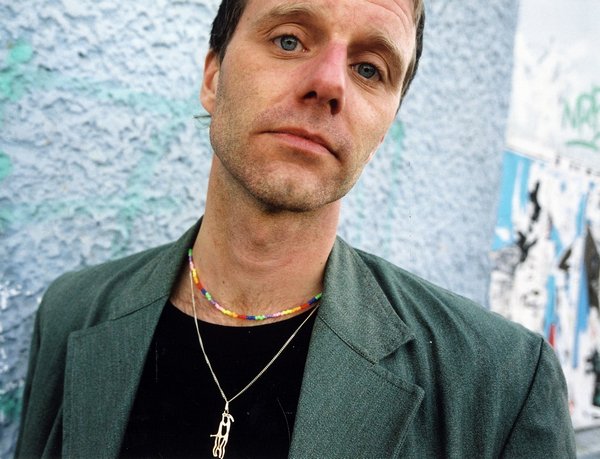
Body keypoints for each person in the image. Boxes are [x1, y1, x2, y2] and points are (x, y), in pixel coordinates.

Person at [16, 0, 576, 457]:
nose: (329, 83)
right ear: (213, 78)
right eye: (289, 40)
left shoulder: (499, 384)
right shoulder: (73, 313)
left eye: (369, 69)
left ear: (384, 126)